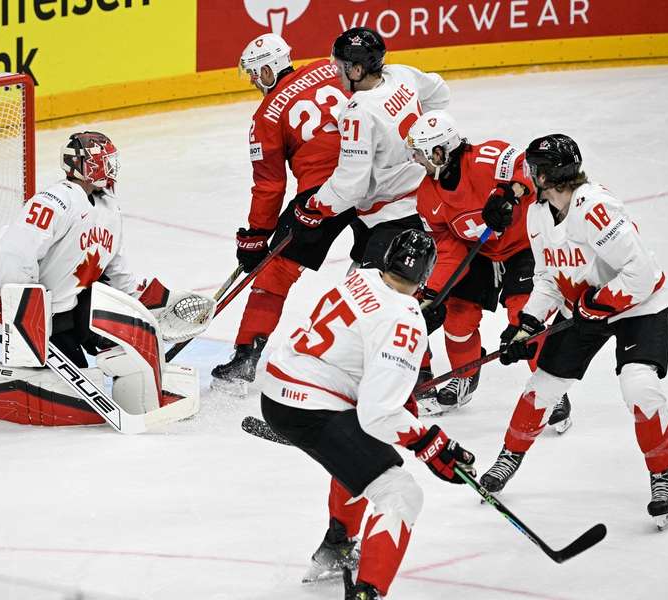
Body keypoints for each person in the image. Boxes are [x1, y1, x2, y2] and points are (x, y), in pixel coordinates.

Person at [0, 132, 212, 426]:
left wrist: (150, 303)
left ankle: (140, 391)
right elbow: (15, 250)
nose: (110, 169)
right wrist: (22, 308)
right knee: (71, 395)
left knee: (129, 354)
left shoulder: (109, 209)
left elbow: (118, 272)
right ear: (81, 165)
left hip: (81, 309)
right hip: (44, 317)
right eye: (103, 162)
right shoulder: (55, 201)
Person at [262, 229, 476, 599]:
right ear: (426, 276)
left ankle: (337, 547)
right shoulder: (405, 321)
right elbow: (377, 414)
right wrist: (431, 444)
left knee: (362, 457)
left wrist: (405, 408)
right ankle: (368, 593)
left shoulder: (359, 277)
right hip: (313, 405)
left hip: (279, 389)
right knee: (400, 493)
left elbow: (372, 384)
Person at [479, 134, 668, 530]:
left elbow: (642, 275)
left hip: (639, 306)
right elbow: (548, 278)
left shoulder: (596, 207)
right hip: (586, 308)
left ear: (548, 174)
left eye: (534, 169)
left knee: (639, 387)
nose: (528, 176)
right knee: (542, 386)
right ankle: (509, 455)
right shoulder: (537, 214)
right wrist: (527, 324)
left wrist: (596, 304)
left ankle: (661, 475)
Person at [291, 26, 451, 401]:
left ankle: (410, 382)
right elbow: (440, 94)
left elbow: (351, 185)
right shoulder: (403, 76)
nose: (337, 72)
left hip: (389, 217)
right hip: (407, 205)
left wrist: (316, 206)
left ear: (358, 71)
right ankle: (415, 374)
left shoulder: (360, 112)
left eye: (341, 66)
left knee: (369, 301)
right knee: (388, 299)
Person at [211, 33, 360, 395]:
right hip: (372, 173)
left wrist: (256, 237)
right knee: (381, 272)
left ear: (268, 68)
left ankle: (246, 355)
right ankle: (405, 361)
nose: (251, 81)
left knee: (275, 272)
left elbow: (269, 185)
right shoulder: (330, 69)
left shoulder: (266, 115)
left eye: (253, 73)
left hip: (322, 194)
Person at [406, 110, 571, 428]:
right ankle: (464, 376)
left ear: (440, 152)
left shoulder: (485, 157)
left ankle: (551, 391)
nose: (416, 160)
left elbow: (528, 166)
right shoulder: (427, 195)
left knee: (525, 316)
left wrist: (510, 193)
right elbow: (447, 247)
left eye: (421, 153)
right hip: (478, 253)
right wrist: (432, 293)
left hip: (524, 247)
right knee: (457, 318)